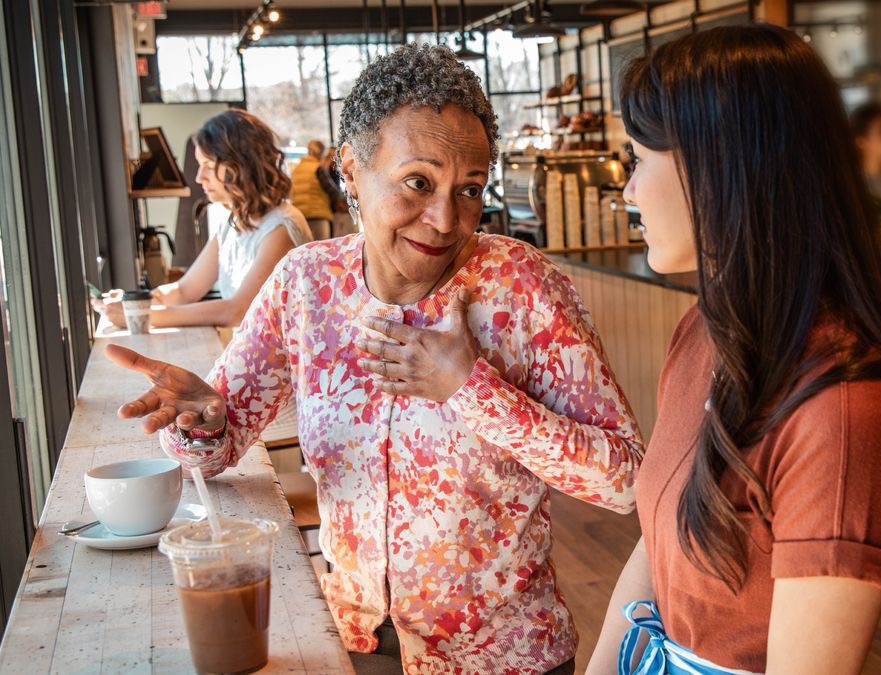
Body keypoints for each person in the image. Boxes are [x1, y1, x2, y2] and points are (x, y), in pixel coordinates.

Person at [105, 44, 642, 674]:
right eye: (418, 182)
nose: (445, 219)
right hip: (357, 644)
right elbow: (214, 450)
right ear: (352, 170)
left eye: (469, 189)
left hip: (504, 655)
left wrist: (469, 388)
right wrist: (199, 423)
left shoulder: (521, 286)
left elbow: (626, 481)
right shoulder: (306, 283)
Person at [589, 25, 881, 674]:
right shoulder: (703, 328)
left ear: (721, 166)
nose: (629, 192)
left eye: (639, 159)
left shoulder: (845, 413)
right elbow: (656, 545)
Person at [94, 110, 313, 329]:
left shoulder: (281, 227)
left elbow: (238, 311)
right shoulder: (233, 221)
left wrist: (142, 316)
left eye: (208, 165)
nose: (199, 177)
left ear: (241, 166)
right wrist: (133, 303)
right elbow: (184, 290)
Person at [290, 139, 336, 240]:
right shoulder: (318, 168)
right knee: (322, 247)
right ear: (321, 153)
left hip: (300, 216)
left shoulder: (297, 168)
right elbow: (331, 190)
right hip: (318, 215)